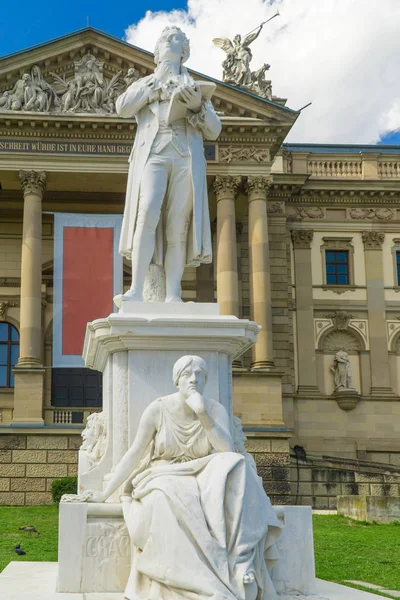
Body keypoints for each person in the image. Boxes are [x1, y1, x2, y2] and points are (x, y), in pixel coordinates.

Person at [89, 355, 282, 600]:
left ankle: (240, 564)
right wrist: (106, 493)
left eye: (199, 375)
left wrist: (202, 413)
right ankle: (194, 581)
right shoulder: (158, 409)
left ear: (205, 381)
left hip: (202, 471)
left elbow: (226, 450)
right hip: (162, 473)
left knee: (237, 464)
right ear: (176, 380)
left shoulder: (213, 409)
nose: (193, 379)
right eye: (187, 374)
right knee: (168, 495)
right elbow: (135, 452)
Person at [116, 27, 221, 302]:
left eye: (179, 39)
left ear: (185, 52)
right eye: (169, 38)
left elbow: (214, 130)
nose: (175, 41)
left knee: (179, 226)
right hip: (154, 153)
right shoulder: (146, 82)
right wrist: (154, 86)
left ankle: (173, 294)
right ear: (159, 49)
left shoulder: (194, 86)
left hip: (185, 156)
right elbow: (123, 107)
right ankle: (136, 290)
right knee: (147, 212)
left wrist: (198, 105)